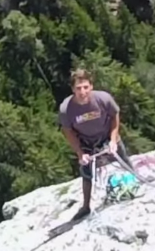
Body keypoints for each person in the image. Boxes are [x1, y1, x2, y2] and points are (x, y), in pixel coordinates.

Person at [58, 68, 136, 220]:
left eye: (86, 87)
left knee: (123, 159)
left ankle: (136, 182)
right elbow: (68, 132)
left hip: (106, 136)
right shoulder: (66, 109)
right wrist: (80, 153)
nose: (83, 92)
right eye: (79, 88)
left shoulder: (103, 99)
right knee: (86, 174)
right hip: (86, 142)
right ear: (73, 89)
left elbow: (115, 116)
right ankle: (86, 206)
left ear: (91, 86)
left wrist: (113, 140)